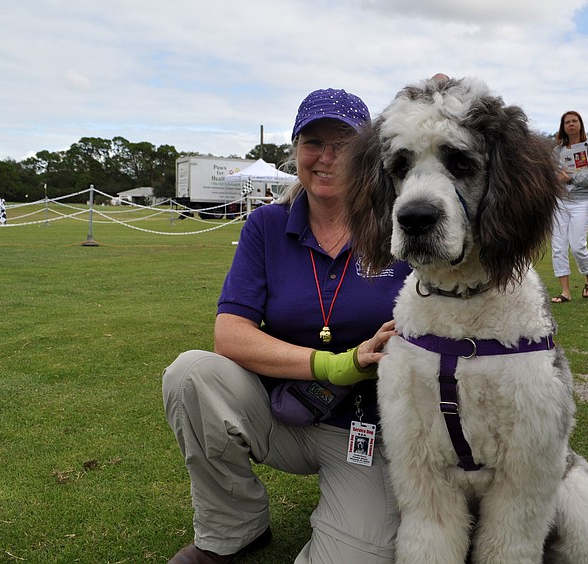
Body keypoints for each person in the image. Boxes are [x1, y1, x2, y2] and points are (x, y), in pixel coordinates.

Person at [162, 88, 411, 564]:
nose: (327, 157)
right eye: (313, 141)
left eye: (345, 144)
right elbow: (230, 334)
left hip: (365, 429)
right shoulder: (266, 226)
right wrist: (337, 364)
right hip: (278, 413)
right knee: (191, 373)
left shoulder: (397, 227)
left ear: (370, 157)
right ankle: (234, 530)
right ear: (296, 149)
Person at [550, 111, 588, 303]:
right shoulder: (557, 151)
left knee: (578, 246)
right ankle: (565, 292)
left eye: (574, 121)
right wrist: (557, 178)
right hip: (560, 202)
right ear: (563, 127)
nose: (571, 124)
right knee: (558, 247)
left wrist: (572, 177)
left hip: (582, 201)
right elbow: (551, 174)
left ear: (580, 124)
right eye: (567, 122)